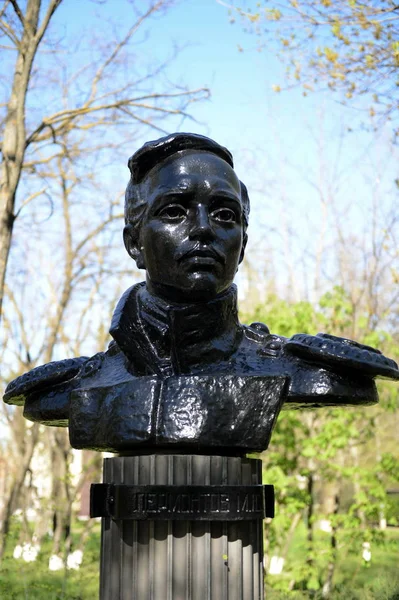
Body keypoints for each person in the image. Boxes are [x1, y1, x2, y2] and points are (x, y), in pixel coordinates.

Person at [4, 133, 398, 454]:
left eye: (225, 214)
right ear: (134, 244)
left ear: (242, 245)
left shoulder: (308, 372)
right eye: (174, 212)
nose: (204, 229)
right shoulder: (71, 389)